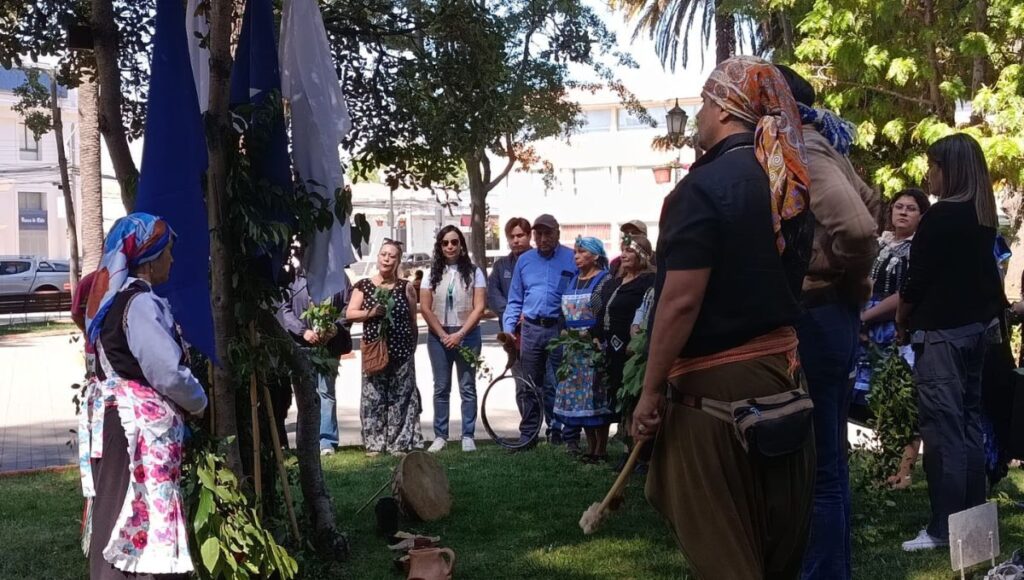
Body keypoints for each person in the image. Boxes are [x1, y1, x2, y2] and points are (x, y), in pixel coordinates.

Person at [632, 56, 815, 579]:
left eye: (705, 103)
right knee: (776, 555)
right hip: (784, 380)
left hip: (717, 396)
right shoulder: (786, 182)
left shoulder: (702, 188)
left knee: (726, 559)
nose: (698, 114)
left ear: (727, 109)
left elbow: (680, 301)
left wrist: (650, 391)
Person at [776, 65, 880, 580]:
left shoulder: (807, 149)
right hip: (827, 315)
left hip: (818, 315)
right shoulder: (818, 143)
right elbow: (871, 200)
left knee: (818, 468)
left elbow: (859, 228)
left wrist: (851, 279)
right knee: (828, 464)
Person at [79, 213, 208, 579]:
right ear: (150, 260)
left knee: (117, 507)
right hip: (134, 432)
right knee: (137, 507)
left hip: (115, 423)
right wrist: (198, 401)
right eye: (168, 252)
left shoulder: (112, 301)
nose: (173, 260)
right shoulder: (138, 305)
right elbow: (165, 371)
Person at [897, 133, 1006, 552]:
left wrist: (901, 317)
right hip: (976, 332)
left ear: (948, 169)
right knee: (968, 427)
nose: (929, 173)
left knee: (943, 434)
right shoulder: (982, 216)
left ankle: (943, 529)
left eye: (933, 165)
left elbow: (917, 280)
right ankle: (973, 530)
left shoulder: (941, 216)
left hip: (941, 335)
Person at [851, 189, 931, 488]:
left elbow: (906, 292)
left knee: (900, 398)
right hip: (867, 326)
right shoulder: (881, 244)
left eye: (911, 208)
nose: (903, 212)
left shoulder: (917, 249)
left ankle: (903, 470)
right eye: (899, 206)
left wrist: (866, 317)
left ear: (921, 216)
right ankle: (883, 466)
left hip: (894, 328)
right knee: (874, 399)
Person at [502, 214, 580, 452]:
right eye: (539, 234)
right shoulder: (525, 261)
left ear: (558, 233)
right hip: (532, 329)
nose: (543, 238)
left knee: (563, 383)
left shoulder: (572, 258)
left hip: (561, 329)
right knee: (528, 384)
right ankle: (528, 435)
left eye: (548, 233)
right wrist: (508, 330)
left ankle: (565, 435)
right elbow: (515, 300)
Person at [347, 240, 424, 455]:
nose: (387, 259)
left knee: (401, 398)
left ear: (398, 260)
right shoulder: (363, 285)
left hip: (401, 351)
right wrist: (370, 313)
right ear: (378, 257)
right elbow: (350, 313)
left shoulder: (406, 287)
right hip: (374, 350)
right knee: (373, 398)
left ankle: (398, 443)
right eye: (383, 254)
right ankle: (374, 443)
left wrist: (411, 347)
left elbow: (412, 320)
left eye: (392, 256)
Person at [420, 226, 487, 453]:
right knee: (441, 387)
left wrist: (460, 334)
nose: (450, 246)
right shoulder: (431, 273)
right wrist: (443, 335)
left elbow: (479, 307)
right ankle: (441, 435)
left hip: (467, 334)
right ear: (440, 246)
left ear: (461, 245)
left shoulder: (474, 272)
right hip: (439, 335)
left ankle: (468, 435)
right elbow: (425, 308)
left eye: (455, 242)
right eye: (445, 243)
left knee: (467, 386)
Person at [277, 267, 351, 455]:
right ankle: (306, 441)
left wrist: (335, 327)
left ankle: (326, 441)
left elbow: (347, 306)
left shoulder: (339, 277)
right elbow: (285, 310)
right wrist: (303, 331)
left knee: (326, 392)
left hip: (329, 345)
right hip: (301, 345)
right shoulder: (294, 279)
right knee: (305, 394)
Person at [553, 236, 614, 462]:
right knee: (581, 399)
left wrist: (593, 333)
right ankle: (590, 446)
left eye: (582, 252)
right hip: (573, 348)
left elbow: (605, 311)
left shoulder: (604, 280)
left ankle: (601, 448)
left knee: (597, 394)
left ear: (595, 256)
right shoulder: (571, 280)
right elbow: (561, 311)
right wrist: (563, 330)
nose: (576, 257)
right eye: (575, 253)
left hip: (594, 345)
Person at [597, 234, 656, 422]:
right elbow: (600, 311)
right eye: (622, 250)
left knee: (632, 398)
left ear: (642, 255)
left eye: (629, 250)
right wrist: (596, 336)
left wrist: (638, 342)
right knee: (615, 397)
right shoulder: (613, 283)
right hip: (611, 350)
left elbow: (649, 313)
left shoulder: (649, 281)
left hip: (632, 351)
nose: (623, 255)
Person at [487, 217, 532, 322]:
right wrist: (512, 314)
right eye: (511, 237)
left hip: (535, 324)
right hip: (509, 326)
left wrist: (529, 314)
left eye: (520, 236)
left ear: (529, 236)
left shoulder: (541, 263)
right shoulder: (500, 266)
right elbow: (493, 295)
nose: (515, 240)